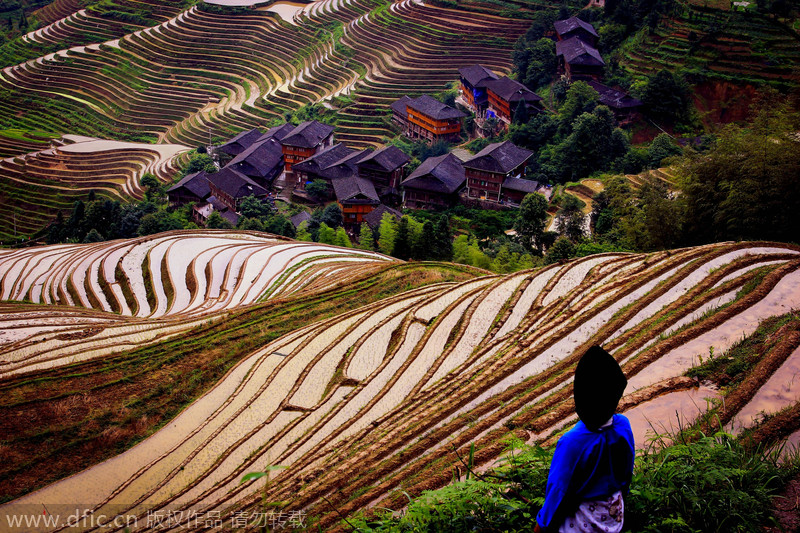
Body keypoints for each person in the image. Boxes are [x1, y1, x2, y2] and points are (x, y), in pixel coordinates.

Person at [534, 345, 635, 533]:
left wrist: (542, 526)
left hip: (583, 526)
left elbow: (558, 491)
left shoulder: (572, 442)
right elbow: (626, 473)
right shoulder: (623, 426)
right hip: (613, 518)